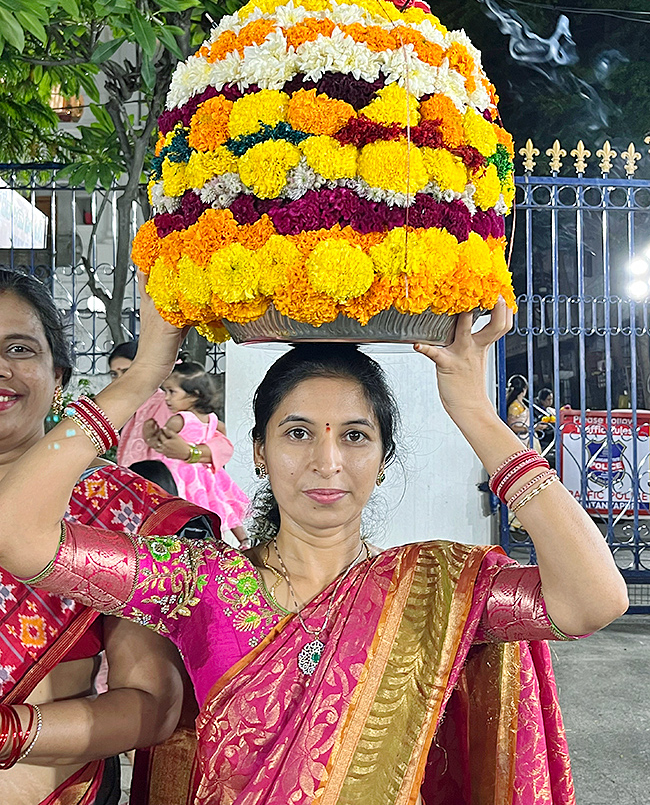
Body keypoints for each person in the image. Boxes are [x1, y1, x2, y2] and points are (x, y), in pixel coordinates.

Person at [0, 282, 628, 804]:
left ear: (383, 460)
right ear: (258, 453)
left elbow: (592, 600)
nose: (327, 462)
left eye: (355, 437)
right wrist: (139, 381)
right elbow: (21, 535)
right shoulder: (198, 580)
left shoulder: (436, 589)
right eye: (298, 433)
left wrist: (476, 414)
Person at [0, 268, 210, 805]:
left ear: (60, 375)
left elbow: (151, 705)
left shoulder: (122, 511)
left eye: (19, 348)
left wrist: (11, 733)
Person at [144, 361, 249, 548]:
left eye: (172, 392)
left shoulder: (179, 420)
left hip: (179, 473)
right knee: (220, 504)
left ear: (194, 395)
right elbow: (221, 439)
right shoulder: (213, 420)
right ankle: (242, 540)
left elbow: (162, 443)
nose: (166, 398)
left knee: (183, 509)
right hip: (205, 474)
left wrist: (150, 435)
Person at [109, 340, 172, 466]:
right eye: (114, 374)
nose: (120, 380)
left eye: (126, 372)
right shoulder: (124, 406)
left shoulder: (166, 403)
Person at [506, 373, 542, 453]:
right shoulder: (514, 407)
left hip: (527, 438)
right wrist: (531, 429)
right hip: (521, 440)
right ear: (524, 389)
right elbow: (512, 427)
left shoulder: (519, 404)